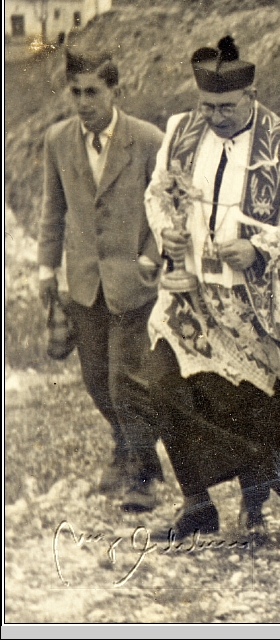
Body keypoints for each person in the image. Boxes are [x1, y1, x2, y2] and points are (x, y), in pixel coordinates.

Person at [137, 36, 280, 541]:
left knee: (250, 402)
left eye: (227, 107)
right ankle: (196, 502)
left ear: (251, 96)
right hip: (190, 295)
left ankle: (254, 504)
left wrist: (262, 247)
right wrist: (164, 227)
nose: (216, 116)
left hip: (256, 301)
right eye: (207, 106)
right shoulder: (180, 132)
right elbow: (158, 193)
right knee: (163, 381)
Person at [38, 49, 165, 511]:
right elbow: (54, 210)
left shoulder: (148, 140)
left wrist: (152, 258)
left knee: (125, 379)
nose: (83, 101)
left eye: (93, 91)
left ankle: (142, 471)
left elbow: (167, 209)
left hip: (135, 282)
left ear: (116, 91)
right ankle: (126, 447)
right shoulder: (58, 140)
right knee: (95, 378)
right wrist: (45, 269)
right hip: (84, 282)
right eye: (76, 92)